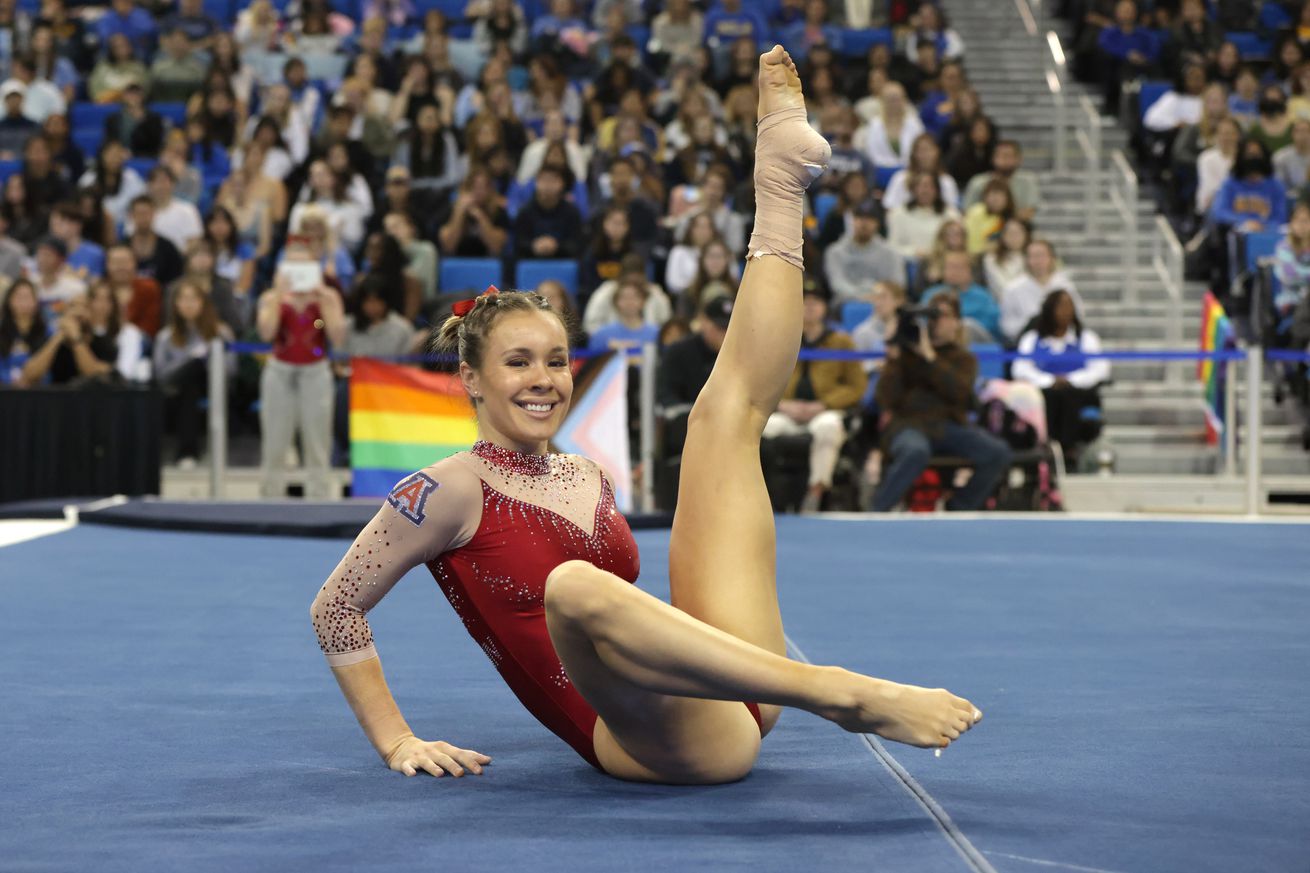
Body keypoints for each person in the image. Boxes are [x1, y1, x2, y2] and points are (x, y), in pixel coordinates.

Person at [311, 48, 980, 784]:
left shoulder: (584, 471)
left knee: (724, 416)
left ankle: (780, 180)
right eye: (519, 362)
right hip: (653, 745)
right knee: (573, 586)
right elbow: (335, 608)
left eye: (558, 360)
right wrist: (397, 739)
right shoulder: (443, 492)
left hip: (728, 697)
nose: (545, 380)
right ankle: (846, 694)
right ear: (470, 378)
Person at [871, 292, 1011, 511]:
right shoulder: (905, 354)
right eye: (933, 316)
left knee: (997, 452)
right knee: (915, 451)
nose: (937, 321)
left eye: (944, 315)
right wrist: (894, 357)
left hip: (948, 425)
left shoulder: (963, 359)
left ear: (956, 322)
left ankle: (959, 507)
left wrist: (930, 357)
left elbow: (960, 393)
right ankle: (877, 510)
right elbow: (885, 398)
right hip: (907, 424)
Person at [762, 281, 866, 512]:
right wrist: (782, 405)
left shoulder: (842, 342)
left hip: (824, 411)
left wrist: (825, 404)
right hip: (787, 412)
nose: (809, 307)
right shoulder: (781, 338)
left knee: (828, 428)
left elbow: (856, 386)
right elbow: (764, 378)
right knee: (762, 428)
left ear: (825, 308)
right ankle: (761, 491)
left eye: (815, 302)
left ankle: (816, 490)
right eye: (804, 301)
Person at [256, 238, 347, 499]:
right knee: (274, 445)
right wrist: (276, 294)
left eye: (303, 267)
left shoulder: (327, 297)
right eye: (291, 267)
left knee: (318, 445)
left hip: (315, 373)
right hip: (279, 373)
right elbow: (266, 333)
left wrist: (326, 300)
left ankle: (319, 500)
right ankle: (269, 500)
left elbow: (338, 338)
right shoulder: (271, 298)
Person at [1011, 289, 1110, 464]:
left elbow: (1100, 369)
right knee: (1048, 395)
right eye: (1061, 306)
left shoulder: (1087, 338)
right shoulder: (1031, 339)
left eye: (1069, 306)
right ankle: (1044, 444)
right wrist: (1049, 381)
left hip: (1078, 392)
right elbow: (1020, 369)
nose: (1066, 311)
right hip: (1042, 391)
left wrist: (1070, 380)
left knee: (1068, 394)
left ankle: (1067, 447)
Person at [153, 280, 233, 467]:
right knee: (189, 385)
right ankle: (187, 453)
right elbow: (161, 376)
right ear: (175, 304)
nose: (188, 304)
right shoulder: (166, 336)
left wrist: (206, 359)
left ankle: (188, 452)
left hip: (216, 388)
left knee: (195, 376)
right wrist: (190, 358)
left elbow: (231, 370)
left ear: (203, 303)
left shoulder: (220, 332)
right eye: (183, 299)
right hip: (176, 392)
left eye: (193, 299)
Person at [21, 280, 149, 385]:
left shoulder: (103, 342)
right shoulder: (49, 339)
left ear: (91, 313)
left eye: (83, 308)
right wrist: (59, 336)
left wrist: (77, 338)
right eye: (72, 307)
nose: (77, 313)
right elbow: (30, 375)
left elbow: (92, 373)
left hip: (90, 405)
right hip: (57, 404)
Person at [822, 199, 907, 301]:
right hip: (846, 304)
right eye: (859, 217)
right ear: (852, 220)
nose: (864, 223)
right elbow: (837, 285)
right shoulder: (835, 251)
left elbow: (897, 284)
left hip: (882, 303)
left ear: (877, 223)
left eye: (870, 219)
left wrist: (877, 296)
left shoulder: (891, 253)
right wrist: (863, 297)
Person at [1001, 238, 1082, 343]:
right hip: (1025, 343)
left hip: (1062, 341)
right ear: (1026, 259)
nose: (1038, 261)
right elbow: (1007, 325)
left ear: (1052, 258)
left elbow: (1077, 315)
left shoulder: (1065, 287)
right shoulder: (1013, 289)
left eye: (1042, 255)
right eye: (1033, 256)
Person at [922, 250, 1002, 342]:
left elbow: (992, 323)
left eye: (959, 267)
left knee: (968, 325)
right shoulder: (931, 294)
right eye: (950, 267)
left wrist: (957, 327)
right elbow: (923, 321)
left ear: (970, 271)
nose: (954, 271)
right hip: (938, 341)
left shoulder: (983, 296)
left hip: (977, 344)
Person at [512, 165, 584, 262]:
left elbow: (577, 244)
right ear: (536, 183)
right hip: (531, 263)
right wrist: (533, 246)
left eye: (553, 180)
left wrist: (557, 247)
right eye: (544, 180)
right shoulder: (525, 212)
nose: (548, 185)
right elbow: (518, 243)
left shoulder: (572, 212)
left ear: (562, 184)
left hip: (563, 263)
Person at [0, 278, 49, 386]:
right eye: (19, 297)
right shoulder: (2, 331)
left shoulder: (47, 331)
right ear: (9, 300)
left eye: (28, 297)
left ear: (36, 301)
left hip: (40, 390)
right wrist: (9, 380)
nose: (23, 302)